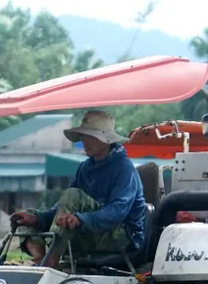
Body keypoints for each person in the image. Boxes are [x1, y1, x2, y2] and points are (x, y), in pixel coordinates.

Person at [10, 110, 147, 269]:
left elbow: (117, 211)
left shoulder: (124, 168)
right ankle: (40, 258)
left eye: (90, 136)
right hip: (89, 230)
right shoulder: (85, 168)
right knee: (28, 216)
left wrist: (81, 219)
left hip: (122, 236)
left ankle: (51, 260)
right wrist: (38, 219)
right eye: (83, 136)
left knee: (72, 195)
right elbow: (65, 209)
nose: (84, 141)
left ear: (106, 140)